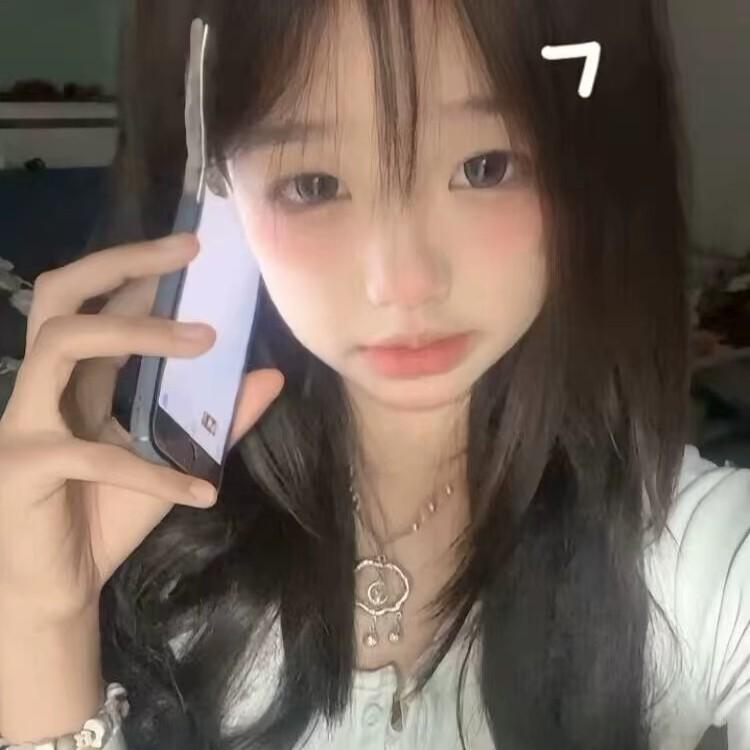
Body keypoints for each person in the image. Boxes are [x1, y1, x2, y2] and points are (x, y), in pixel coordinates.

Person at [0, 0, 748, 748]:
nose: (403, 283)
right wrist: (41, 618)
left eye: (484, 167)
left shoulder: (704, 556)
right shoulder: (128, 520)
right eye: (314, 184)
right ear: (218, 192)